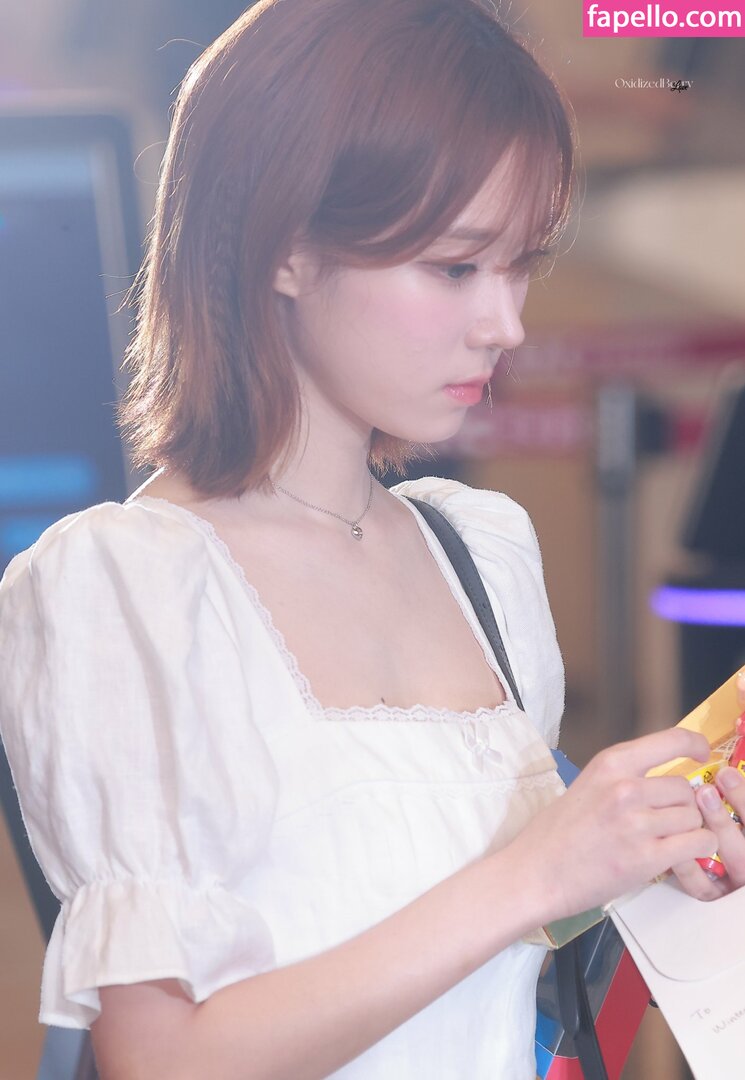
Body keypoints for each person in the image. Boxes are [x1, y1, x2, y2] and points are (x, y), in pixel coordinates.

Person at [1, 1, 744, 1077]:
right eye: (454, 268)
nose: (505, 324)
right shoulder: (121, 585)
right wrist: (539, 869)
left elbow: (504, 979)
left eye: (519, 265)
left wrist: (646, 857)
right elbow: (160, 1060)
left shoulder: (480, 551)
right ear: (285, 248)